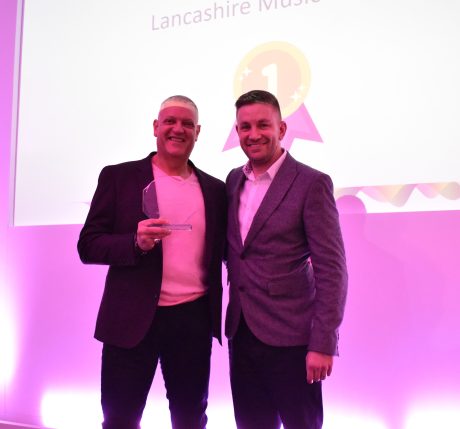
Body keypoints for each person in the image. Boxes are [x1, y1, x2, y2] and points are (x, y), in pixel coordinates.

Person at [77, 95, 226, 429]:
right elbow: (88, 245)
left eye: (187, 123)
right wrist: (134, 242)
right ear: (156, 127)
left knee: (190, 418)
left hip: (192, 319)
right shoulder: (119, 178)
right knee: (120, 419)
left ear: (198, 131)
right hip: (129, 320)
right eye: (170, 121)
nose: (178, 128)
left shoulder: (216, 190)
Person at [225, 90, 348, 429]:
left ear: (281, 128)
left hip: (294, 340)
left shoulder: (312, 183)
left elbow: (332, 269)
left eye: (263, 125)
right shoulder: (234, 180)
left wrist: (323, 343)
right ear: (237, 132)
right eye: (245, 127)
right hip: (242, 333)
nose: (254, 134)